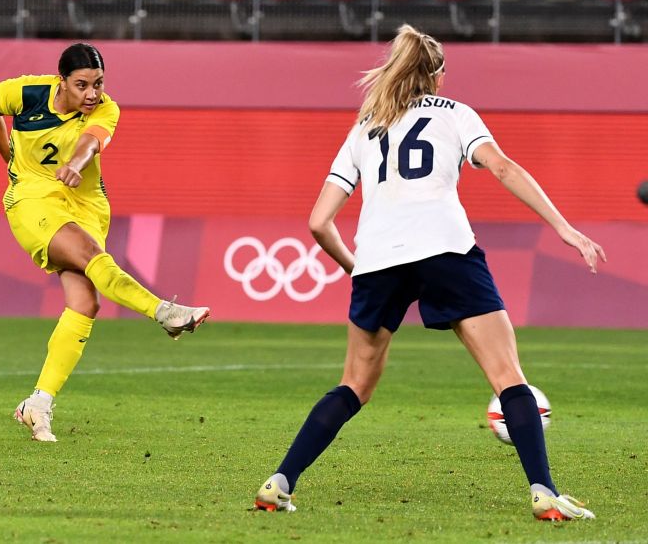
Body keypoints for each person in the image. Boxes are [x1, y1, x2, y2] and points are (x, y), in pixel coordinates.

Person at [253, 25, 606, 520]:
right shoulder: (457, 114)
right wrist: (565, 228)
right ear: (436, 74)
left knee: (353, 385)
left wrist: (361, 270)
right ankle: (544, 492)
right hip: (445, 250)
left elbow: (318, 222)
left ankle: (279, 482)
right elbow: (502, 168)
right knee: (508, 376)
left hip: (378, 261)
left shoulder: (364, 128)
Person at [0, 42, 209, 442]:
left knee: (86, 301)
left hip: (86, 204)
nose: (91, 94)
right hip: (33, 198)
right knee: (90, 257)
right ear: (61, 81)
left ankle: (38, 404)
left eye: (98, 84)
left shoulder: (107, 109)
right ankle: (163, 312)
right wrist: (10, 159)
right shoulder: (25, 92)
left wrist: (76, 164)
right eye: (82, 85)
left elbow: (91, 143)